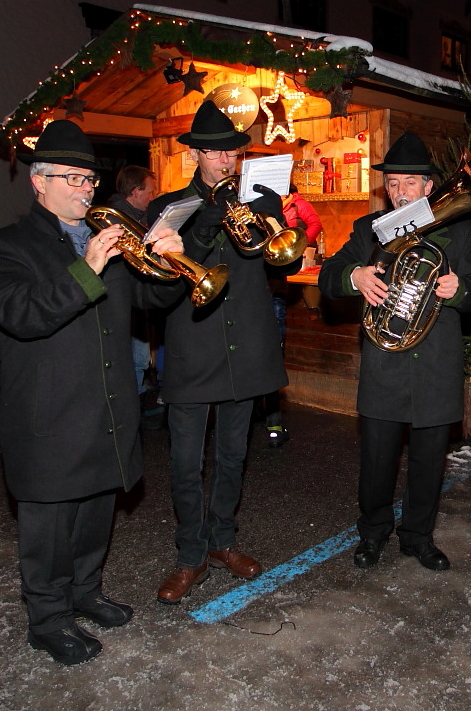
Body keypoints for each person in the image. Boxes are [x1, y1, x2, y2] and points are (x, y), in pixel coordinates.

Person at [0, 120, 186, 665]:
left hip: (108, 404)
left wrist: (169, 261)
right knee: (48, 525)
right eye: (70, 178)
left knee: (97, 509)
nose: (83, 189)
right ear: (38, 182)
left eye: (89, 179)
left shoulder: (113, 238)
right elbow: (21, 315)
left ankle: (85, 591)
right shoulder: (7, 246)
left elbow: (152, 301)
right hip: (49, 411)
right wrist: (90, 263)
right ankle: (47, 619)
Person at [146, 99, 300, 604]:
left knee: (234, 456)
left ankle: (223, 542)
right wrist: (201, 228)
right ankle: (190, 555)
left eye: (231, 152)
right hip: (194, 349)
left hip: (246, 349)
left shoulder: (254, 202)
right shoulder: (167, 209)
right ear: (194, 156)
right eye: (213, 153)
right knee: (186, 461)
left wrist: (274, 219)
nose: (223, 161)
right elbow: (155, 279)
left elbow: (279, 267)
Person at [318, 131, 471, 572]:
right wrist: (353, 277)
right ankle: (372, 534)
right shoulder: (369, 229)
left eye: (409, 183)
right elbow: (329, 273)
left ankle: (418, 537)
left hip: (435, 364)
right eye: (392, 183)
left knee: (430, 463)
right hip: (385, 364)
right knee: (377, 462)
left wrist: (459, 287)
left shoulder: (459, 228)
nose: (399, 192)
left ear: (429, 187)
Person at [257, 184, 324, 447]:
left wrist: (301, 241)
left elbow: (313, 226)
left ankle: (273, 422)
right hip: (262, 294)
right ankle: (265, 419)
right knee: (266, 356)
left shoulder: (296, 205)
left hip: (273, 291)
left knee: (273, 357)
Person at [106, 165, 162, 400]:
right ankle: (133, 406)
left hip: (139, 299)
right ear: (136, 191)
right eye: (149, 192)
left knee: (138, 358)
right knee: (132, 359)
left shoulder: (141, 217)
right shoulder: (114, 219)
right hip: (123, 299)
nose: (152, 197)